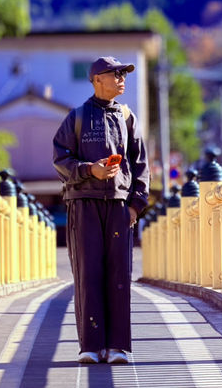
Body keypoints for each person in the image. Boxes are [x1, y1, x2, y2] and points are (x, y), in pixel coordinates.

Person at [52, 55, 150, 365]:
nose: (122, 78)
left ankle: (118, 346)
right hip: (83, 205)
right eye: (115, 74)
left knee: (119, 275)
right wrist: (88, 171)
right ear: (97, 80)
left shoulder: (127, 116)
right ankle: (90, 346)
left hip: (120, 206)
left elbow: (140, 164)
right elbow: (60, 159)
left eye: (124, 73)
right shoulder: (77, 117)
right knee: (88, 273)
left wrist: (136, 205)